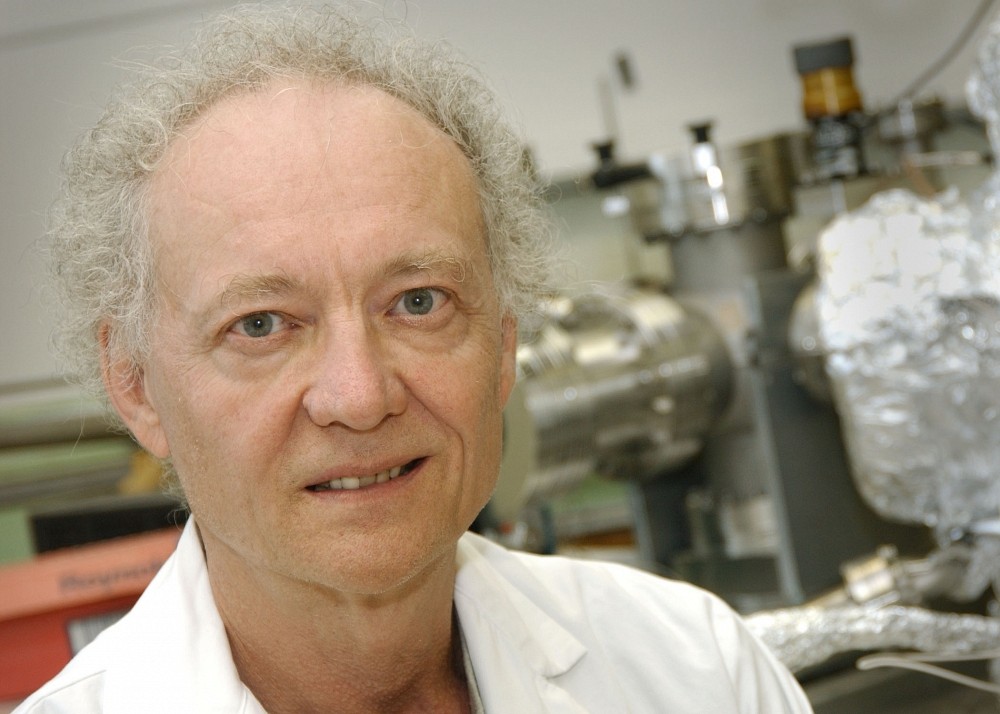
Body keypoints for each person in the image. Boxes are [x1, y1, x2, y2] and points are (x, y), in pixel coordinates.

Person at [16, 4, 813, 713]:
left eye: (419, 302)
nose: (361, 396)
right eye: (261, 325)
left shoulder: (698, 674)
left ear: (504, 344)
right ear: (134, 384)